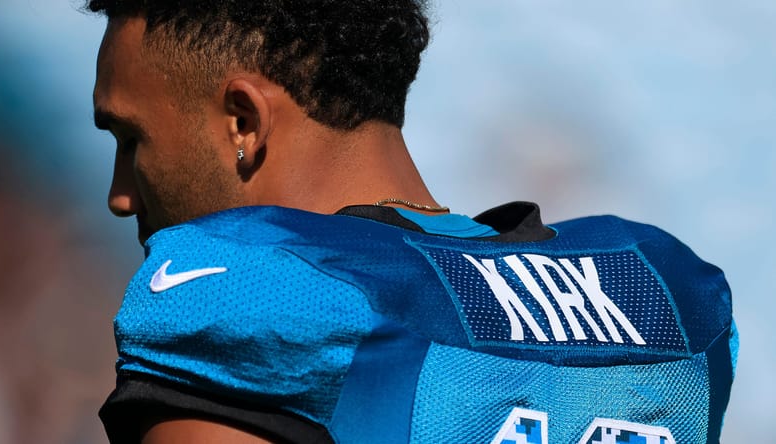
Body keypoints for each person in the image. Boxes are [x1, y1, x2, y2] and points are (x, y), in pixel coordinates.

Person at [88, 1, 736, 443]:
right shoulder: (658, 293)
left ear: (243, 121)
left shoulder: (249, 294)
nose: (121, 194)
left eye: (128, 138)